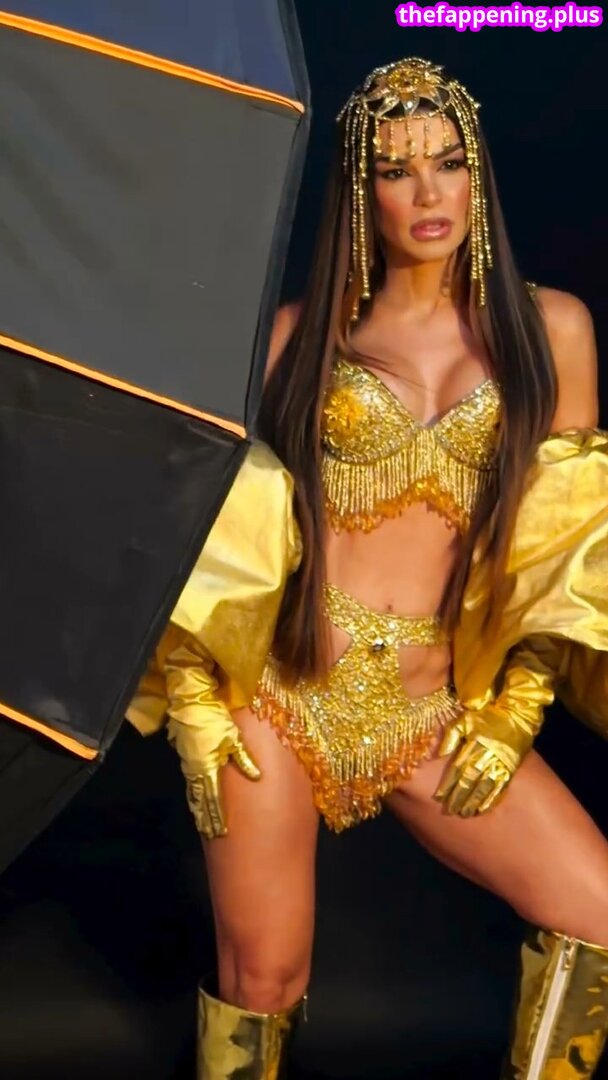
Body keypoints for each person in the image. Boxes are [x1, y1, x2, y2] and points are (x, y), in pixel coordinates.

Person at [127, 57, 608, 1079]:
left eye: (448, 163)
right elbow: (209, 526)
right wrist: (194, 702)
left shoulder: (551, 329)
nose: (427, 192)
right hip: (281, 699)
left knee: (597, 909)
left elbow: (564, 544)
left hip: (433, 709)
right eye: (395, 170)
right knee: (264, 976)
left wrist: (517, 711)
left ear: (477, 174)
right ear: (360, 190)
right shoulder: (294, 339)